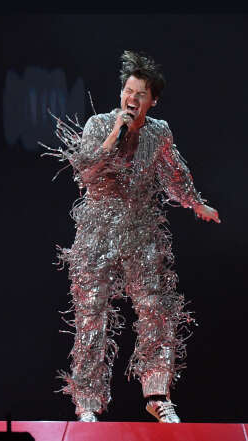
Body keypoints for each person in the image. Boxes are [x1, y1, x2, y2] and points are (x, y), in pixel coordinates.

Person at [42, 50, 220, 423]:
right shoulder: (99, 124)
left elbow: (175, 172)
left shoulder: (159, 132)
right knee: (91, 316)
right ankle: (87, 405)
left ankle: (157, 395)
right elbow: (86, 170)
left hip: (142, 233)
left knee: (157, 310)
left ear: (152, 101)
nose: (132, 98)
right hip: (97, 234)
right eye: (128, 90)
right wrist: (115, 133)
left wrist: (194, 203)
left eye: (141, 94)